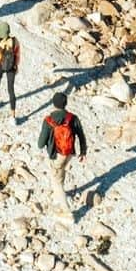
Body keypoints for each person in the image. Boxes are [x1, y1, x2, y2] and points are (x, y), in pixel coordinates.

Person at [37, 91, 87, 223]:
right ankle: (59, 196)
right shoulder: (73, 118)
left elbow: (40, 144)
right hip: (69, 153)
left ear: (53, 103)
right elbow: (81, 135)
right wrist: (83, 152)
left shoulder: (48, 120)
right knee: (61, 171)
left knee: (56, 182)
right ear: (66, 103)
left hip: (56, 155)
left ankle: (67, 213)